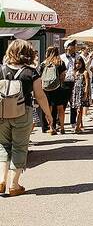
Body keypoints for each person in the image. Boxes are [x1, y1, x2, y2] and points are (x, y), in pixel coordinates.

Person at [0, 39, 53, 196]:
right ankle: (14, 185)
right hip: (23, 112)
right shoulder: (31, 72)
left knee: (3, 145)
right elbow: (40, 96)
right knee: (19, 147)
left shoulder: (1, 70)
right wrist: (48, 115)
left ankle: (1, 180)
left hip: (1, 114)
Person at [41, 46, 68, 135]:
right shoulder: (60, 63)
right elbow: (63, 76)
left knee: (49, 109)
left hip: (47, 89)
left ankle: (51, 127)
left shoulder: (44, 63)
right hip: (58, 88)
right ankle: (62, 127)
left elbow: (41, 77)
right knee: (60, 108)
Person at [59, 39, 79, 131]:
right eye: (72, 45)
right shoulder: (61, 57)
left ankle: (73, 122)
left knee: (73, 103)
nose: (74, 47)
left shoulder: (78, 57)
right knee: (63, 103)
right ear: (67, 47)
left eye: (74, 45)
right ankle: (60, 123)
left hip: (74, 81)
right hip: (64, 82)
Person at [70, 56, 91, 133]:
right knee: (77, 109)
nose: (77, 65)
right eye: (76, 63)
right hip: (75, 92)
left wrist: (85, 94)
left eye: (79, 63)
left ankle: (77, 127)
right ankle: (80, 125)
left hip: (82, 92)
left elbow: (87, 84)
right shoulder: (75, 72)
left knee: (79, 110)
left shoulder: (85, 72)